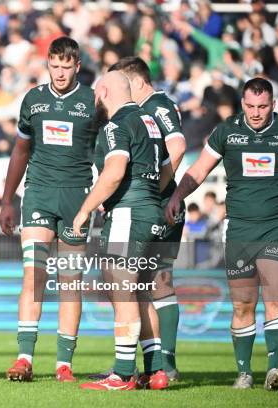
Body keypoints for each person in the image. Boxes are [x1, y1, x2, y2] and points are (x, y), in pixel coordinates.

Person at [166, 77, 278, 391]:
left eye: (262, 106)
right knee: (242, 305)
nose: (256, 112)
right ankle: (244, 373)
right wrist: (178, 195)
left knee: (276, 302)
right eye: (250, 106)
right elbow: (199, 170)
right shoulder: (227, 131)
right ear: (242, 104)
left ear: (273, 104)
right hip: (240, 231)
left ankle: (274, 371)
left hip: (277, 228)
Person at [0, 36, 97, 382]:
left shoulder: (93, 100)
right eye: (53, 66)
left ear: (77, 66)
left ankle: (63, 363)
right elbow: (20, 151)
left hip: (77, 199)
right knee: (34, 273)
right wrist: (8, 199)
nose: (59, 73)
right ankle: (24, 358)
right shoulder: (34, 100)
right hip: (38, 193)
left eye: (65, 67)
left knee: (70, 281)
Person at [73, 71, 171, 391]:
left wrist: (86, 209)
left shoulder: (116, 124)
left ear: (102, 91)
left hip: (129, 217)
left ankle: (123, 374)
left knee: (121, 289)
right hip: (151, 213)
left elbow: (114, 173)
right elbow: (166, 166)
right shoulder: (151, 121)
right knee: (141, 292)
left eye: (95, 94)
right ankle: (155, 371)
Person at [108, 57, 187, 381]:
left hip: (158, 205)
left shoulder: (157, 106)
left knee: (154, 281)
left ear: (136, 82)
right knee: (140, 284)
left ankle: (164, 363)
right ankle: (149, 366)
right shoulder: (151, 108)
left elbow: (178, 146)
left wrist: (157, 188)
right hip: (156, 204)